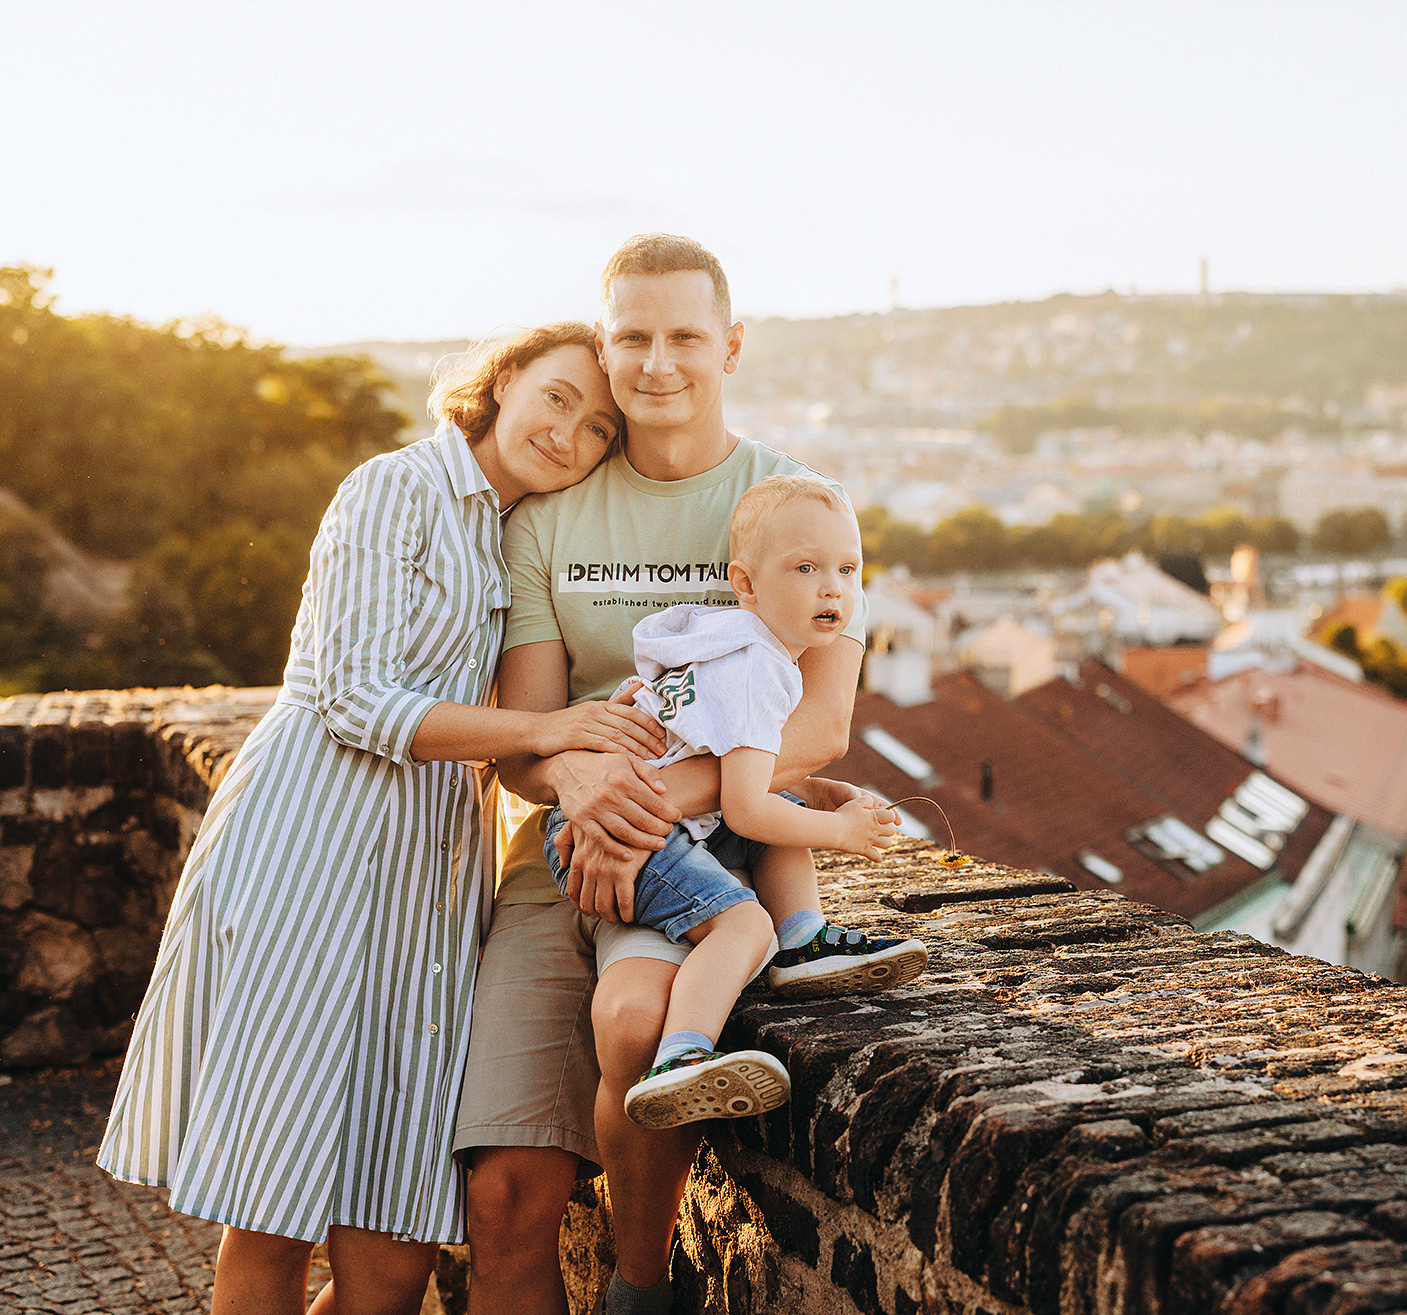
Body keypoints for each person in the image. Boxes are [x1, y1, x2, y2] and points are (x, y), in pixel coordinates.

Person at [97, 324, 666, 1315]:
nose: (570, 429)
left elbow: (507, 734)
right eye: (559, 396)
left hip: (424, 885)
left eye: (598, 425)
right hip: (311, 852)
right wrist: (545, 723)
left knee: (395, 1250)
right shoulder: (394, 487)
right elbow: (353, 697)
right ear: (503, 383)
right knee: (270, 1213)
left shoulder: (514, 538)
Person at [453, 235, 903, 1315]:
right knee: (506, 1198)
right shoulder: (546, 518)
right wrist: (583, 797)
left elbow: (822, 724)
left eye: (685, 336)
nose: (658, 362)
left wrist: (649, 804)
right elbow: (523, 737)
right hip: (560, 857)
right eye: (633, 338)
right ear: (605, 350)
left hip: (717, 847)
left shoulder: (797, 499)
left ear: (730, 346)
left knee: (634, 1025)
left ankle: (638, 1288)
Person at [545, 475, 915, 1132]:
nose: (832, 587)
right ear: (745, 582)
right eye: (805, 567)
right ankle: (680, 1056)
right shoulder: (759, 667)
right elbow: (745, 810)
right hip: (626, 827)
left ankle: (804, 941)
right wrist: (840, 829)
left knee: (784, 802)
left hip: (637, 809)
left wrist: (813, 796)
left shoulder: (728, 638)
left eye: (847, 569)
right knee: (745, 928)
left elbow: (740, 774)